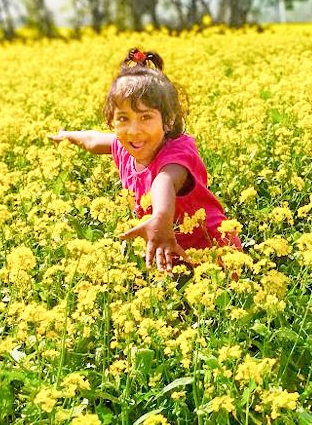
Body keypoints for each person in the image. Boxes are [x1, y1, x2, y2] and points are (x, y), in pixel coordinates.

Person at [48, 48, 241, 272]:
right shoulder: (122, 146)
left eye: (145, 117)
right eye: (123, 118)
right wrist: (68, 136)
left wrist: (160, 217)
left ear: (167, 121)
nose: (133, 130)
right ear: (112, 121)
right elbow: (93, 140)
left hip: (216, 254)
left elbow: (164, 182)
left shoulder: (177, 153)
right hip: (167, 252)